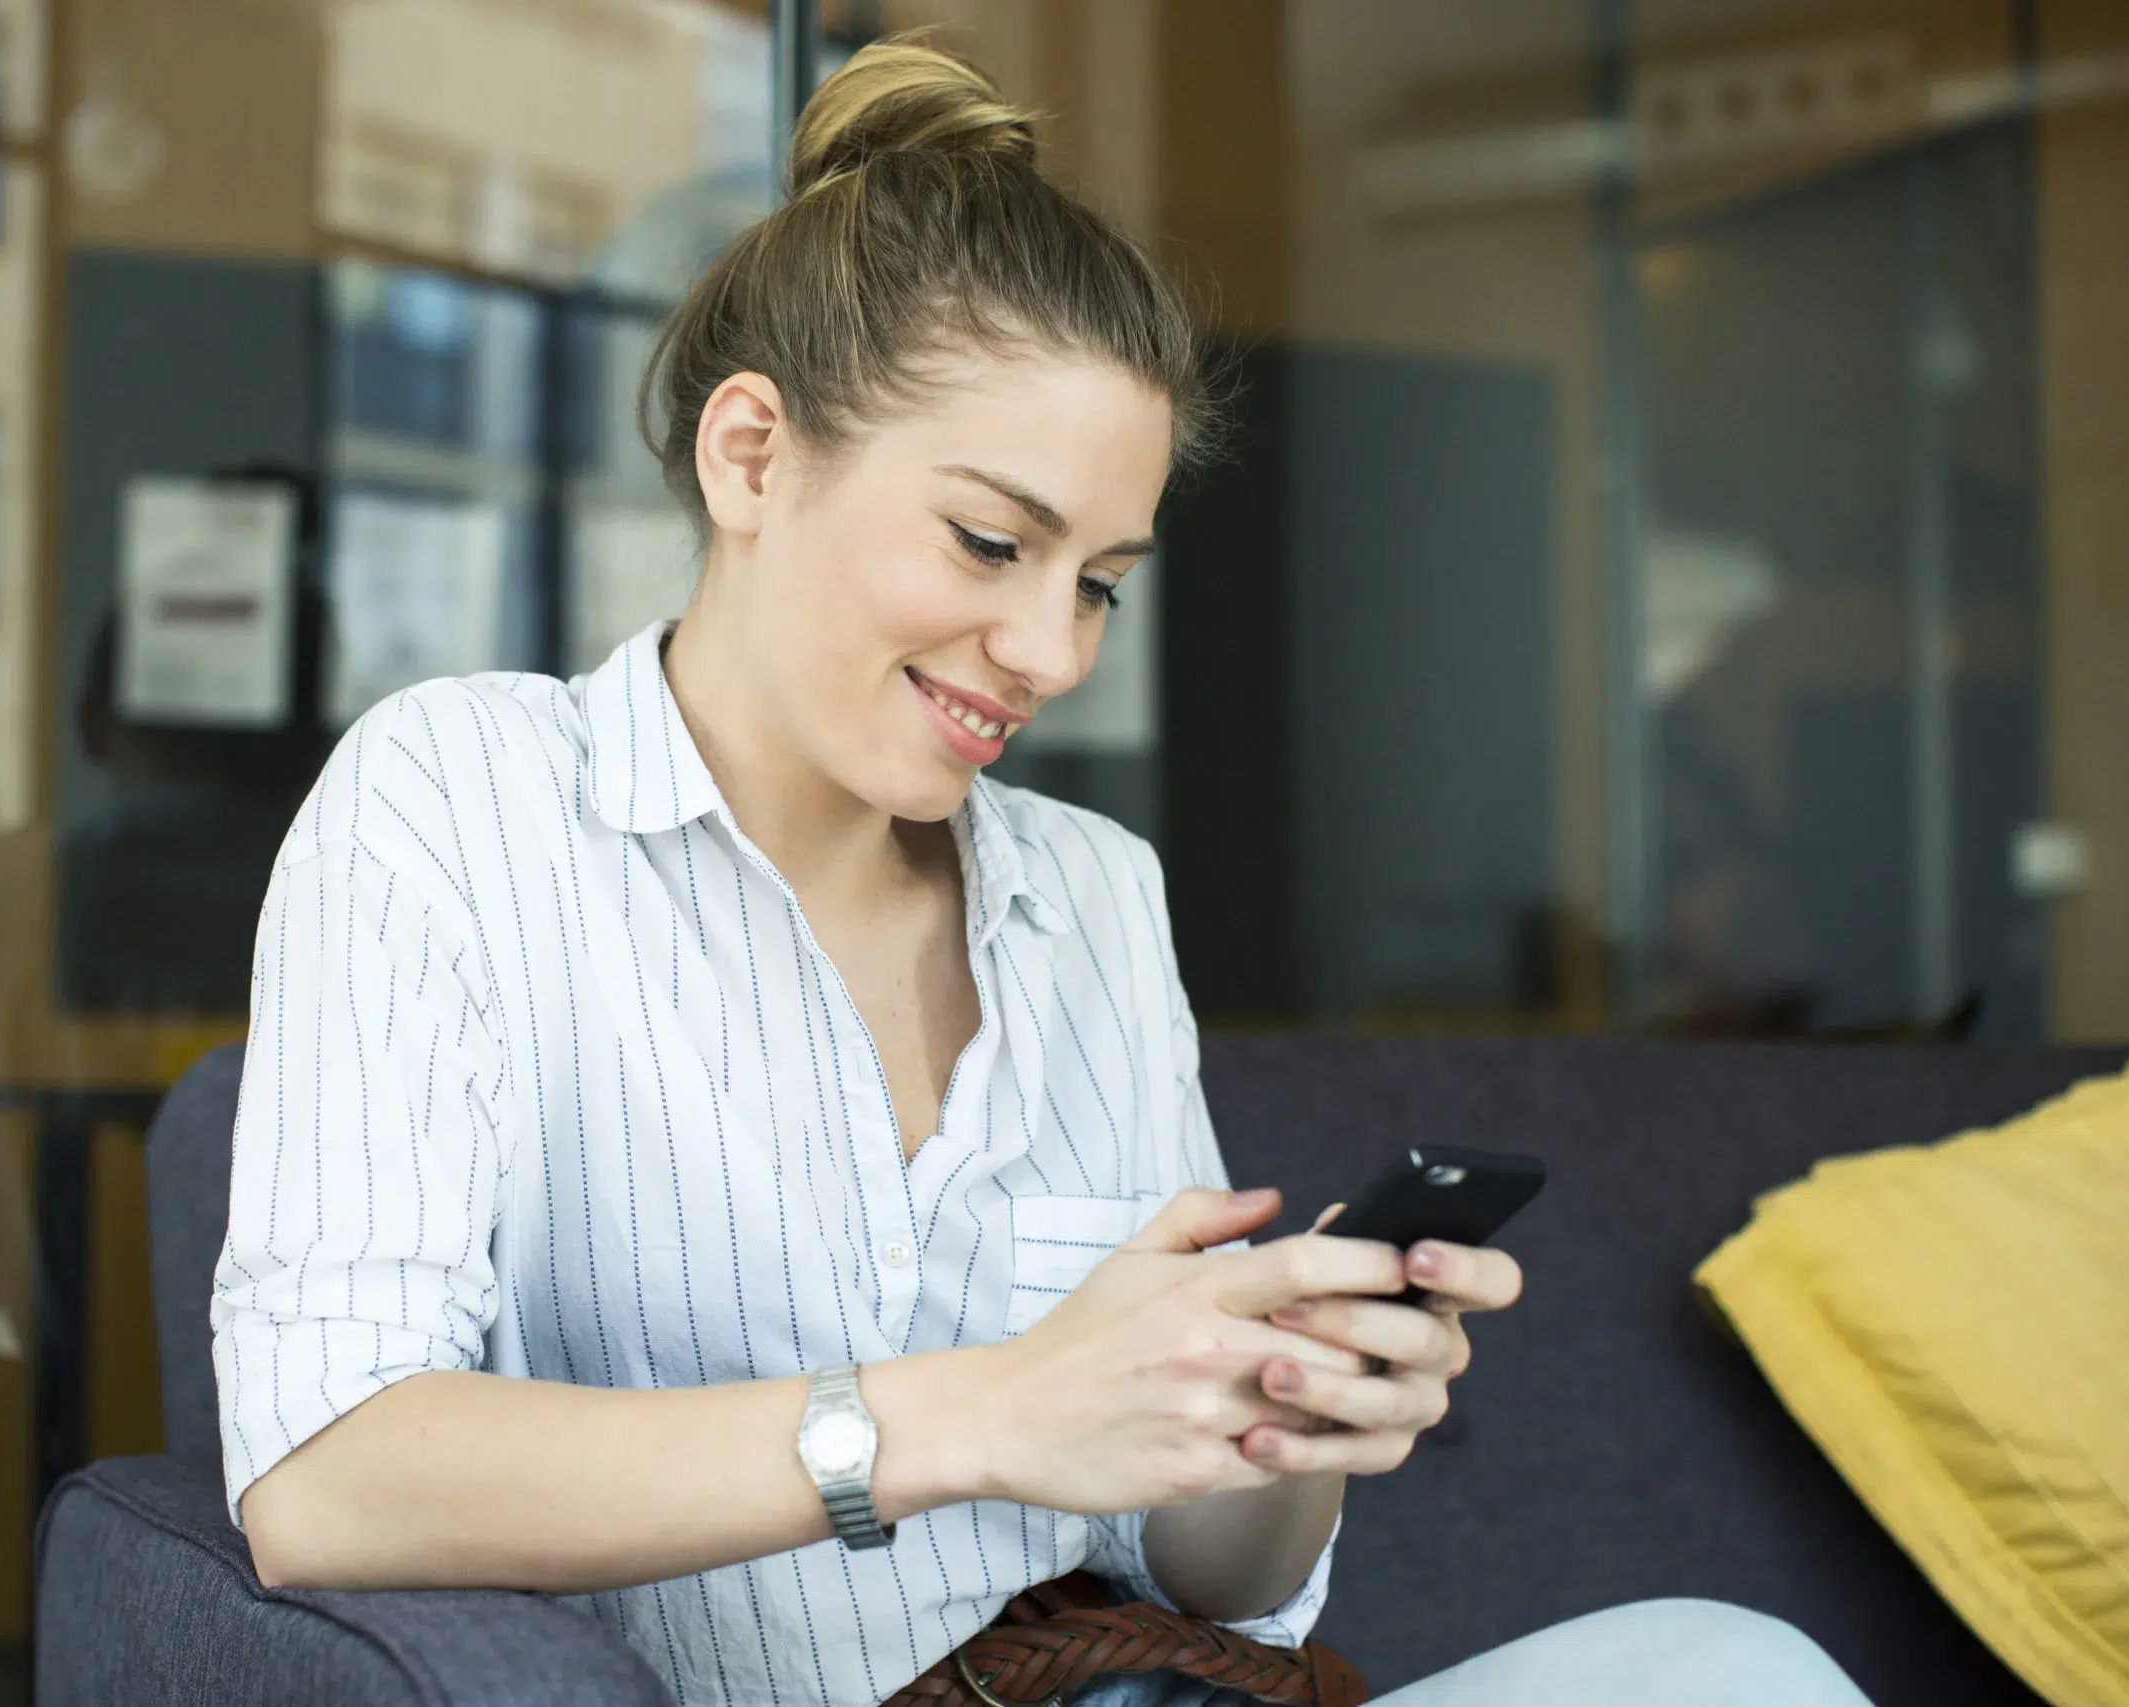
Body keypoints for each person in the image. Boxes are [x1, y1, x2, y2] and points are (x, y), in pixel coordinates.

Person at [212, 41, 1877, 1707]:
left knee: (1742, 1665)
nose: (1049, 649)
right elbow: (327, 1470)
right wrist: (983, 1407)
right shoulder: (459, 798)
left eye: (1101, 582)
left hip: (1132, 1686)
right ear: (750, 458)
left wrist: (1288, 1426)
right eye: (993, 543)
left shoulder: (1090, 894)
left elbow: (1212, 1570)